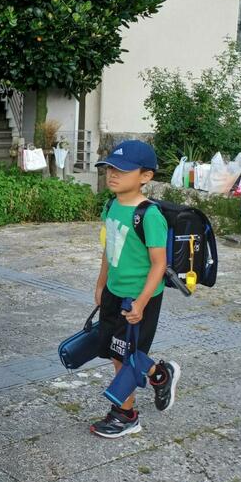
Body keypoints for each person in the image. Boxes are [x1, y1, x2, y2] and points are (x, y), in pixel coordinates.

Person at [91, 140, 180, 438]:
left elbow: (158, 265)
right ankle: (159, 374)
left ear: (145, 176)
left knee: (125, 356)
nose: (112, 175)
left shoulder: (149, 216)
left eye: (122, 170)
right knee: (115, 350)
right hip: (114, 293)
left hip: (139, 298)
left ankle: (126, 415)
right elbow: (110, 248)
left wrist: (141, 303)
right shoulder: (111, 205)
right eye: (109, 169)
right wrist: (101, 283)